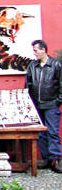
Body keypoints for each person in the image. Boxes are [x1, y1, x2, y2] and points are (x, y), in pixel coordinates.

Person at [25, 39, 62, 173]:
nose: (34, 53)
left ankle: (55, 159)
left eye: (36, 50)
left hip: (51, 103)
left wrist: (58, 100)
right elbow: (28, 84)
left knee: (52, 132)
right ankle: (46, 158)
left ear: (43, 50)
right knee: (40, 133)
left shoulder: (56, 65)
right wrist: (28, 101)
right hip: (36, 104)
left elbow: (61, 83)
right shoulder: (32, 66)